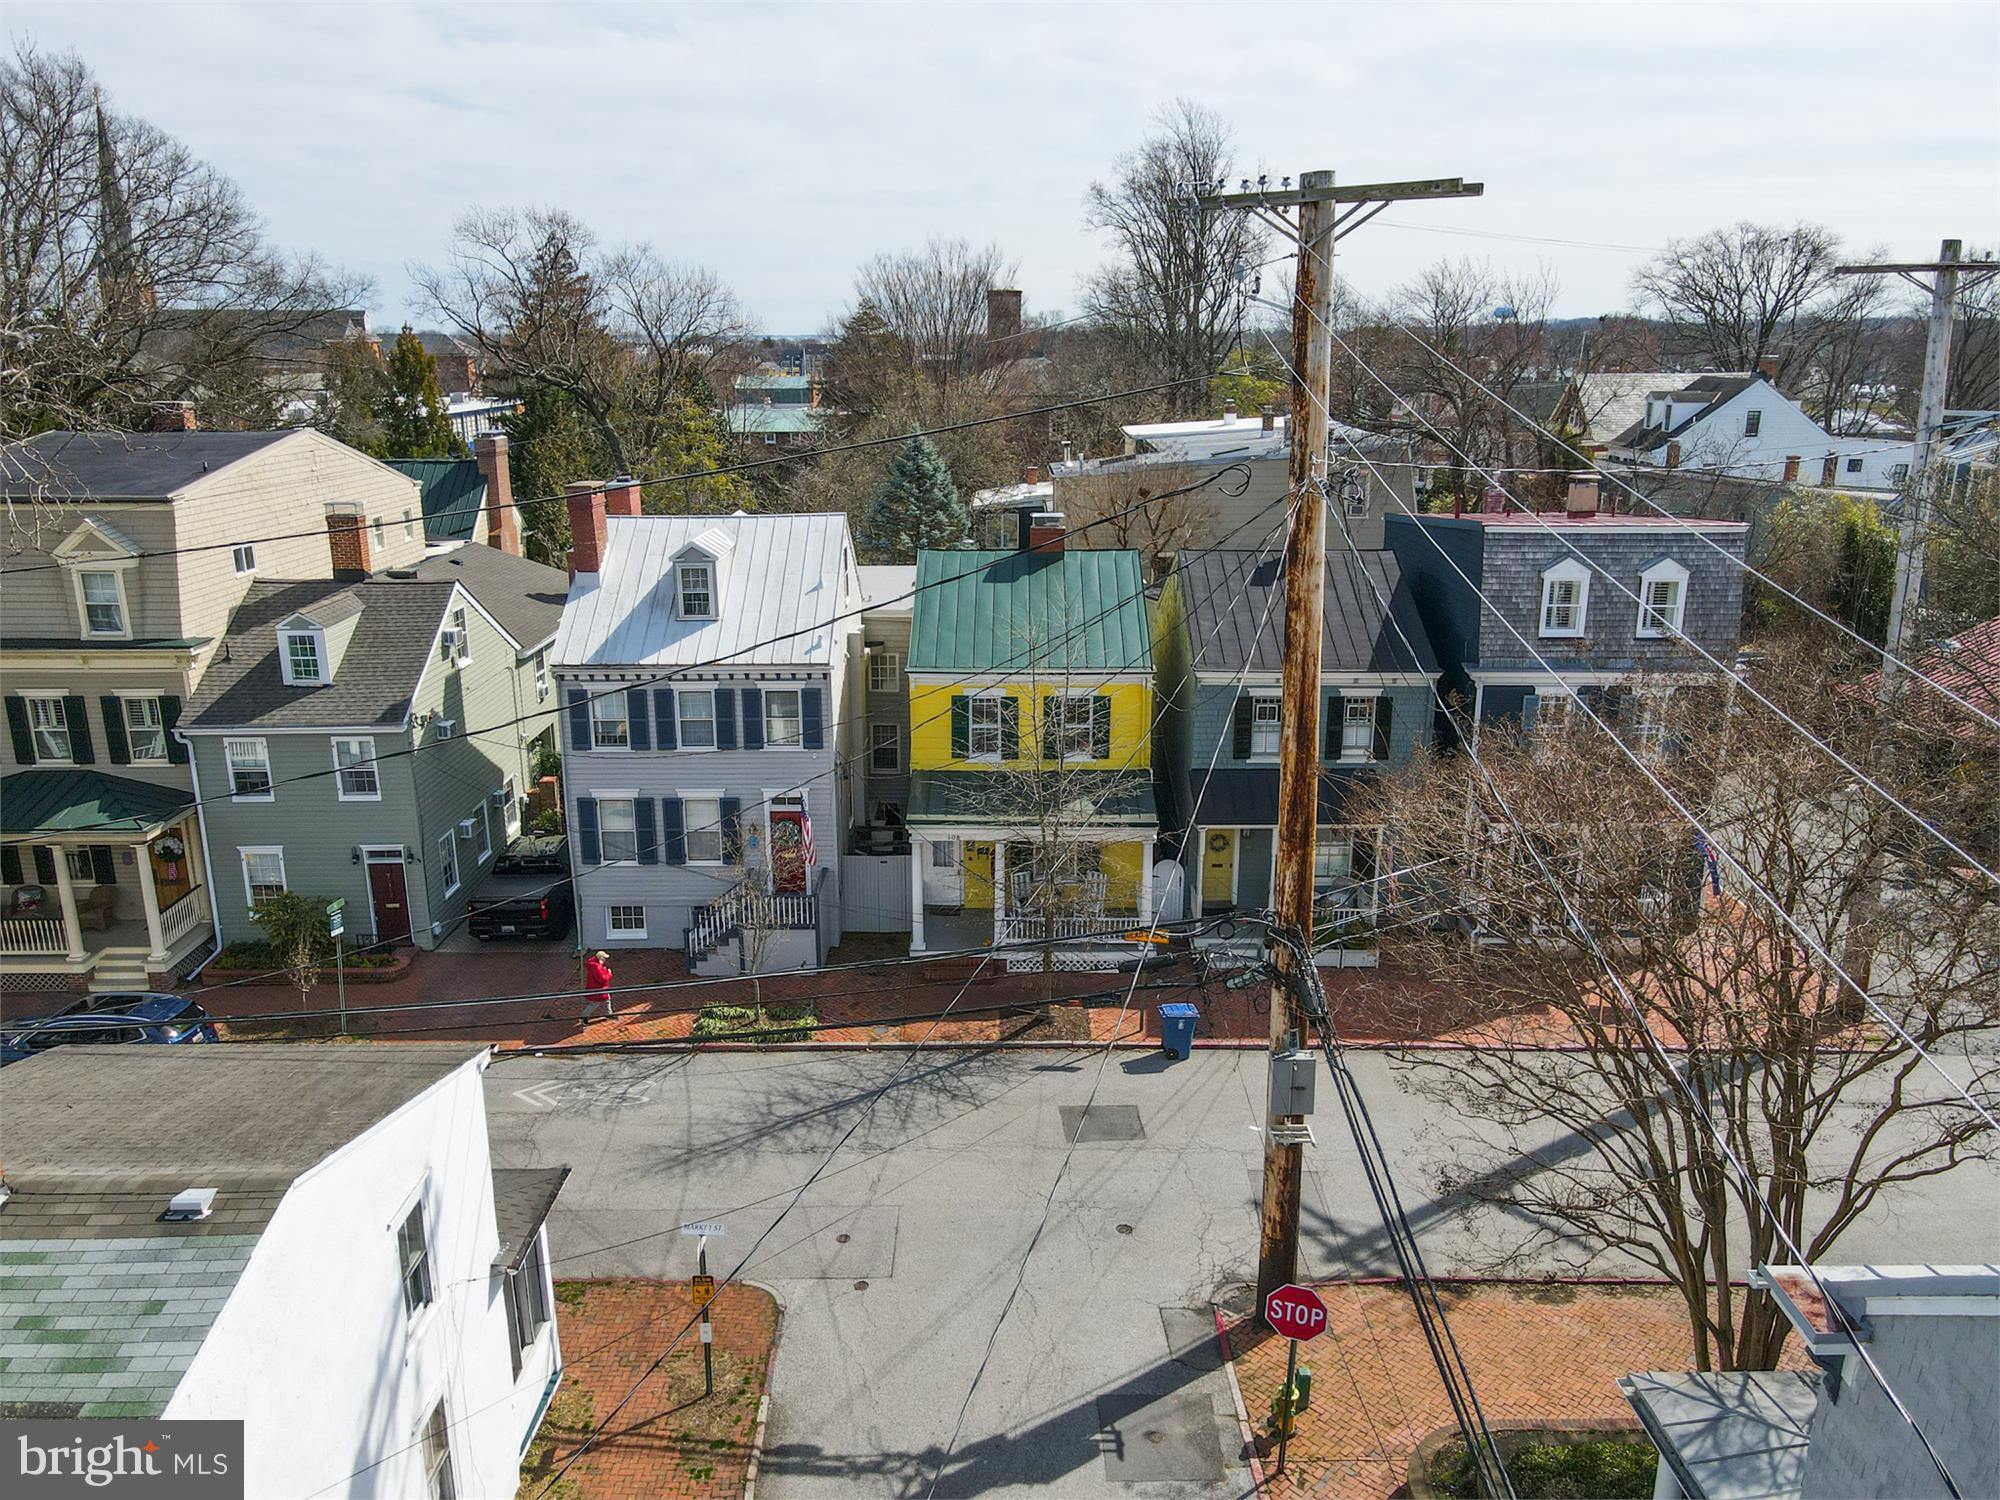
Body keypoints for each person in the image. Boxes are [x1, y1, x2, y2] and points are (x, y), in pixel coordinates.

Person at [582, 949, 614, 1023]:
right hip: (598, 989)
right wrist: (609, 974)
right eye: (604, 958)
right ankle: (583, 1017)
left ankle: (609, 1014)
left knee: (607, 1000)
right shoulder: (597, 967)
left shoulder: (593, 965)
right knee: (594, 1004)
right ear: (601, 958)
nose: (605, 959)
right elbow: (602, 979)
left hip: (596, 987)